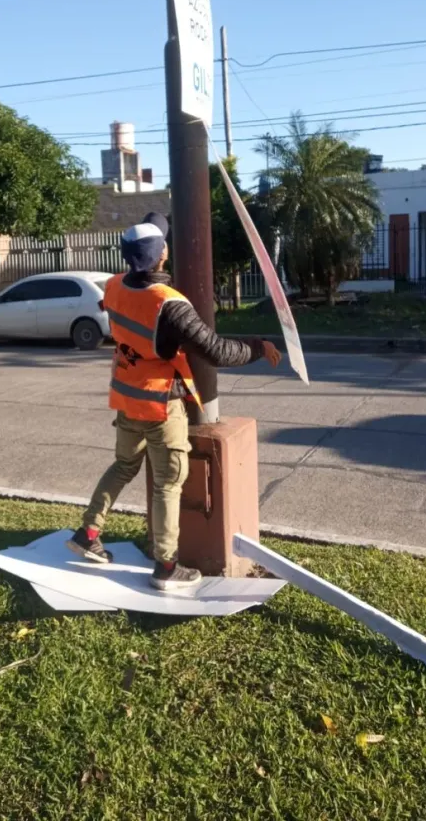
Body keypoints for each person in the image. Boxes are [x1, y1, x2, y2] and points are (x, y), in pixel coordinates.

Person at [68, 213, 281, 591]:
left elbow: (120, 298)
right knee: (168, 482)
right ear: (162, 255)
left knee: (123, 465)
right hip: (159, 404)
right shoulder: (169, 305)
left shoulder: (114, 285)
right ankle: (166, 566)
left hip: (126, 396)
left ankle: (88, 532)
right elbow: (216, 351)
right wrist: (258, 347)